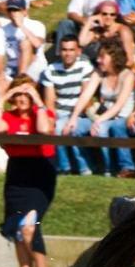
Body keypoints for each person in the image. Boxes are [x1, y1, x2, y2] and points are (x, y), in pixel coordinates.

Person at [0, 76, 56, 267]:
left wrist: (37, 99)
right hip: (17, 172)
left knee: (29, 225)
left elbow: (45, 130)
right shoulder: (8, 117)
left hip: (40, 172)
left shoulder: (43, 114)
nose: (21, 98)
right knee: (18, 227)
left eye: (25, 94)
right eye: (17, 94)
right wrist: (3, 97)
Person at [64, 39, 135, 178]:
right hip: (103, 118)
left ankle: (109, 169)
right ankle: (86, 167)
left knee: (101, 129)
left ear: (114, 57)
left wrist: (99, 121)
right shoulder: (99, 73)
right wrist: (73, 118)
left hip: (122, 118)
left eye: (102, 57)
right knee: (75, 128)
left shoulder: (128, 75)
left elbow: (119, 105)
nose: (98, 60)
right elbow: (85, 95)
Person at [40, 35, 94, 175]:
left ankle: (84, 167)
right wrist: (52, 119)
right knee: (56, 127)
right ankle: (64, 168)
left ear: (78, 51)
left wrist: (72, 119)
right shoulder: (51, 70)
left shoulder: (85, 68)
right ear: (59, 51)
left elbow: (86, 99)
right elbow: (50, 102)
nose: (68, 53)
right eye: (64, 50)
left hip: (81, 114)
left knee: (72, 129)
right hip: (60, 113)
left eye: (71, 50)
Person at [0, 0, 46, 91]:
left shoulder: (37, 25)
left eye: (16, 10)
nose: (13, 13)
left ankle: (20, 79)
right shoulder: (2, 31)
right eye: (10, 10)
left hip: (34, 66)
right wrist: (1, 75)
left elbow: (37, 44)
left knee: (25, 43)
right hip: (11, 69)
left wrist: (21, 26)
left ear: (24, 11)